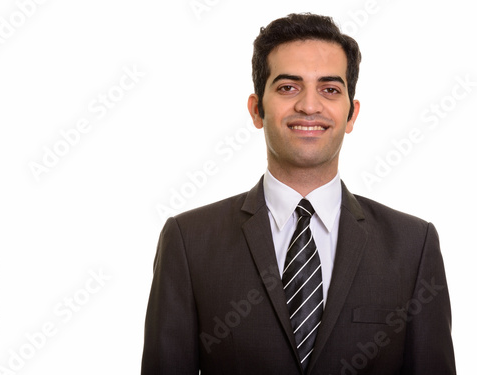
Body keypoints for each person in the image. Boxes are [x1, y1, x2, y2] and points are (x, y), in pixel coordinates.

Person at [141, 13, 456, 375]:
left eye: (330, 89)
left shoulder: (412, 246)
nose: (309, 106)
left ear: (351, 114)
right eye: (288, 87)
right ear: (257, 109)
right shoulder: (189, 241)